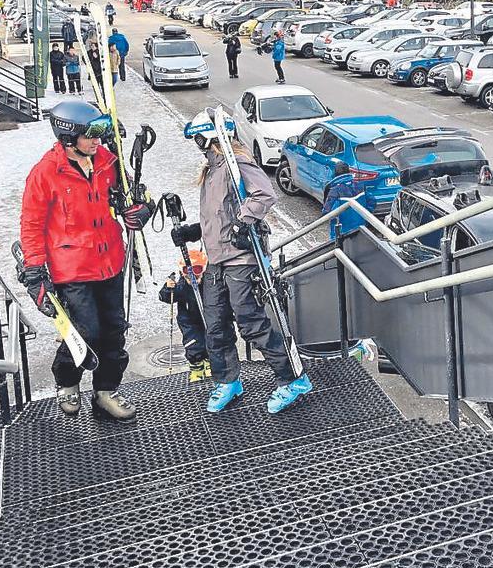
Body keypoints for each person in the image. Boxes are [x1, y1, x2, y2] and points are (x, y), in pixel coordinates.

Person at [18, 100, 152, 421]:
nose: (97, 141)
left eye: (101, 134)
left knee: (114, 330)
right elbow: (31, 226)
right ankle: (67, 380)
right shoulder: (45, 173)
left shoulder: (108, 160)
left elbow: (137, 194)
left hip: (110, 261)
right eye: (90, 135)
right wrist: (34, 272)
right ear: (68, 137)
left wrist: (142, 209)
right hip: (72, 270)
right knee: (85, 332)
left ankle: (105, 391)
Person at [171, 108, 311, 414]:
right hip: (216, 260)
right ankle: (228, 380)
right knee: (215, 325)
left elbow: (264, 195)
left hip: (241, 259)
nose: (196, 144)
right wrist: (192, 232)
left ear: (209, 138)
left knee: (251, 324)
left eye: (197, 138)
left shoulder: (239, 163)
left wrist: (241, 223)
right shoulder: (211, 171)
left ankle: (292, 379)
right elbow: (217, 217)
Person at [158, 250, 211, 383]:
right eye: (188, 271)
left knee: (212, 342)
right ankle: (196, 369)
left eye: (197, 270)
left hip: (208, 318)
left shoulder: (209, 283)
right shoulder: (181, 286)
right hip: (189, 322)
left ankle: (210, 363)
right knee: (193, 346)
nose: (192, 275)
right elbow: (165, 297)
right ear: (182, 272)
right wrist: (168, 289)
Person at [322, 161, 374, 240]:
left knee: (341, 250)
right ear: (349, 171)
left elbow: (327, 211)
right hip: (360, 227)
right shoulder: (360, 185)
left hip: (341, 232)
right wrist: (364, 214)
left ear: (335, 173)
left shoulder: (335, 190)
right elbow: (372, 201)